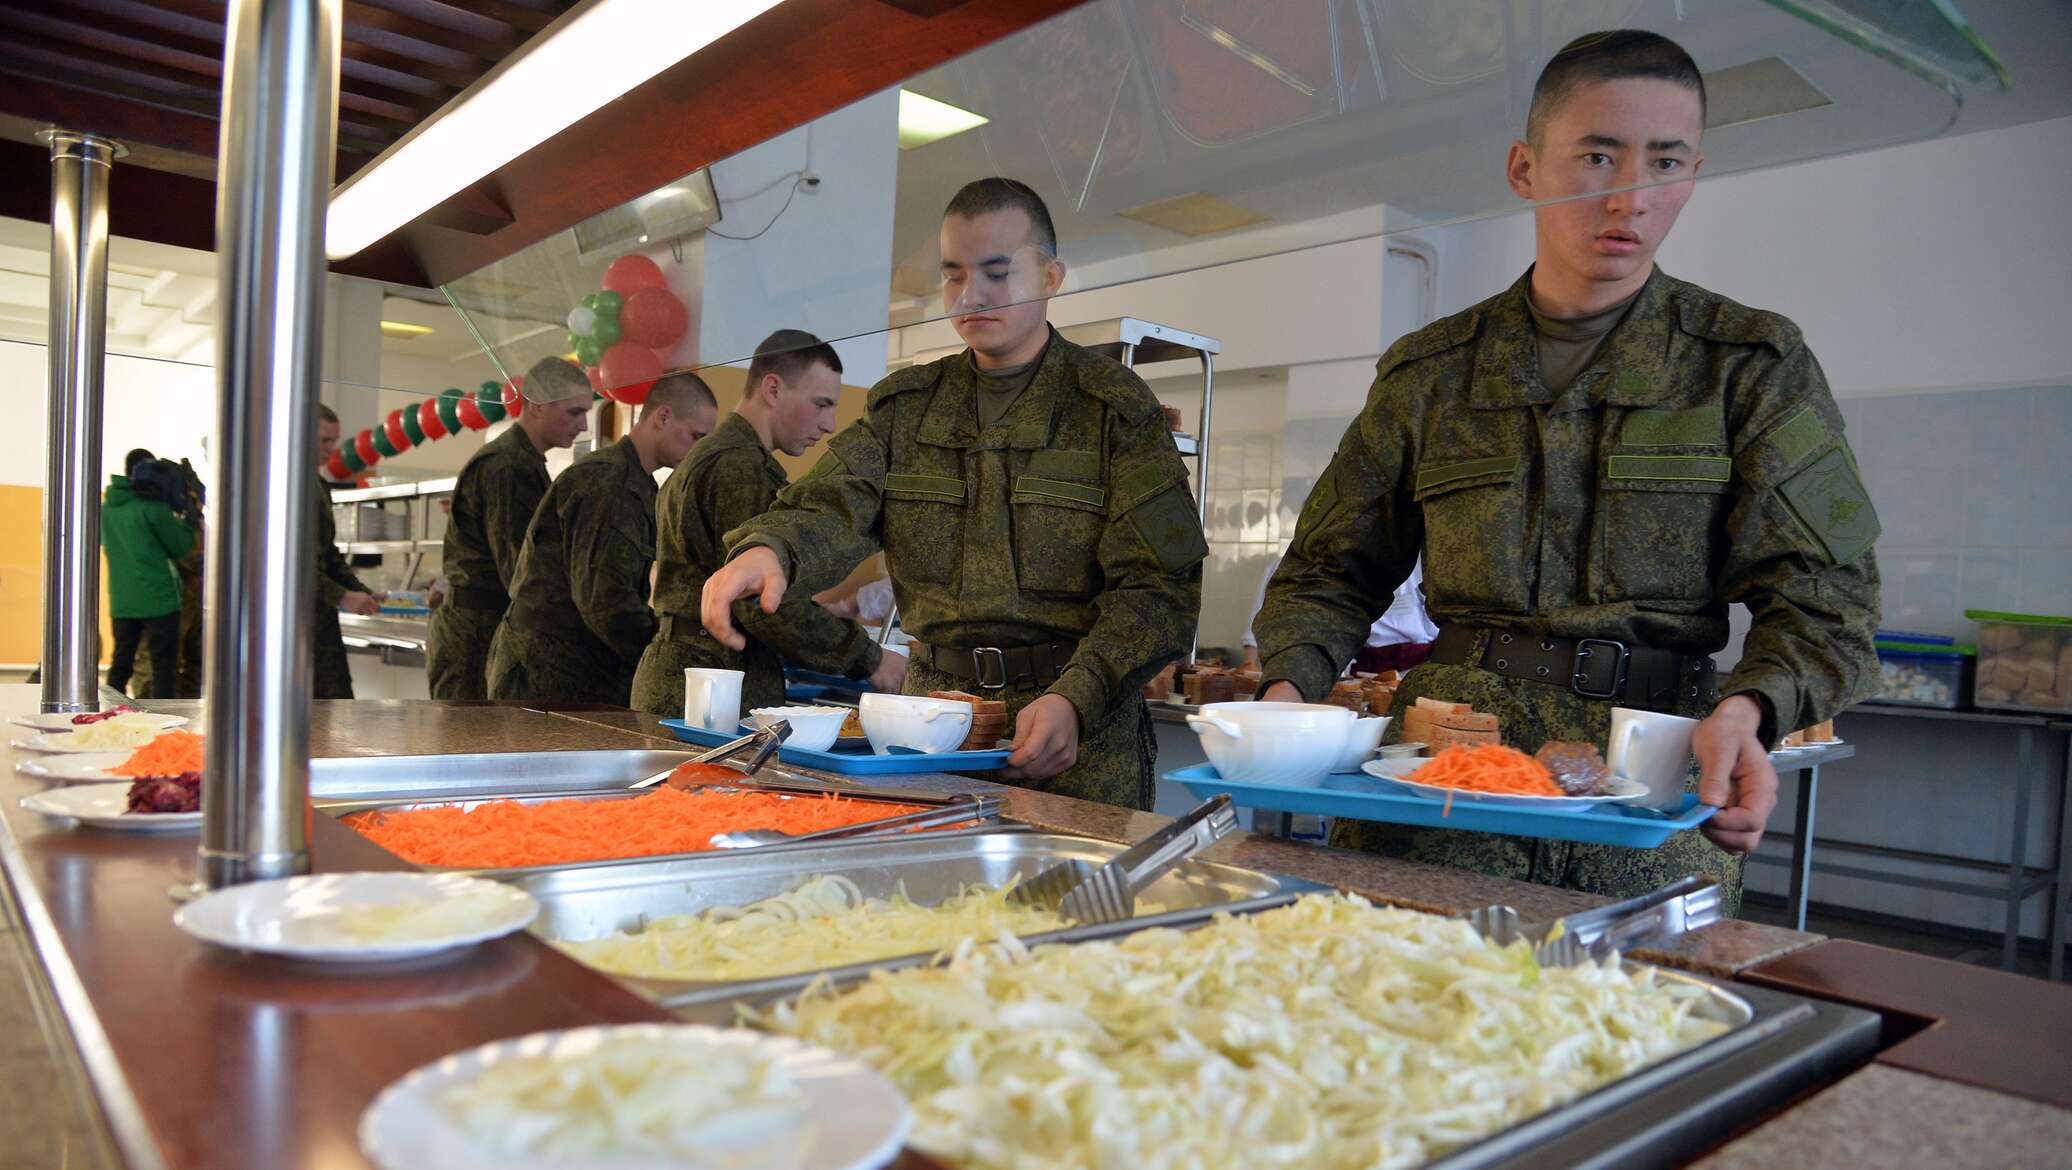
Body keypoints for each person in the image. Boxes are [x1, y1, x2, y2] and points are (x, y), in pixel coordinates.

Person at [1252, 30, 1881, 914]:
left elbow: (1828, 600)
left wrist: (1754, 710)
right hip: (1443, 778)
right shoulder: (1432, 372)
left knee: (1629, 1032)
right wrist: (1287, 696)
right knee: (1407, 1016)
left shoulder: (1748, 364)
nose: (1630, 196)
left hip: (1652, 779)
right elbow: (1328, 570)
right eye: (1597, 155)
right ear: (1524, 168)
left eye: (1664, 162)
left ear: (1693, 173)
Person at [700, 179, 1207, 809]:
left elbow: (1160, 589)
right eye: (953, 275)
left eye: (996, 273)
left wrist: (1079, 695)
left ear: (1050, 276)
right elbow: (834, 501)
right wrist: (770, 550)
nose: (970, 296)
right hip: (929, 731)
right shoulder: (905, 407)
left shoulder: (1113, 409)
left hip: (1078, 734)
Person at [632, 331, 905, 717]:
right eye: (821, 404)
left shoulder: (706, 456)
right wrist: (871, 659)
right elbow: (764, 603)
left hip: (690, 670)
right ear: (773, 389)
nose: (829, 424)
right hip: (716, 678)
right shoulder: (741, 468)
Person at [486, 371, 717, 705]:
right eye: (696, 436)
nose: (698, 452)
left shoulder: (639, 483)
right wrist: (666, 653)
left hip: (576, 662)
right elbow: (604, 603)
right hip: (548, 669)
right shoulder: (607, 483)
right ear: (663, 416)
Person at [427, 357, 594, 699]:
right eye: (573, 412)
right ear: (535, 406)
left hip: (482, 625)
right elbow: (519, 570)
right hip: (475, 635)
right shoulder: (508, 466)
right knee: (468, 745)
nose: (582, 425)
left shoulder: (522, 461)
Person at [100, 448, 197, 699]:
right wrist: (189, 520)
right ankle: (162, 725)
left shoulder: (107, 508)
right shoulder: (152, 507)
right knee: (163, 670)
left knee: (120, 666)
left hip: (122, 601)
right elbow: (180, 546)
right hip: (159, 601)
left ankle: (109, 719)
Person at [1241, 553, 1437, 676]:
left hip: (1417, 670)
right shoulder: (1285, 568)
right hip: (1346, 671)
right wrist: (1250, 673)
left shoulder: (1418, 565)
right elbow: (1255, 635)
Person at [314, 405, 382, 699]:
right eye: (324, 441)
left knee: (334, 711)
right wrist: (342, 595)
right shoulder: (281, 485)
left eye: (334, 441)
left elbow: (328, 554)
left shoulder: (317, 485)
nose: (331, 450)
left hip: (320, 620)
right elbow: (288, 567)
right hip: (290, 626)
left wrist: (359, 590)